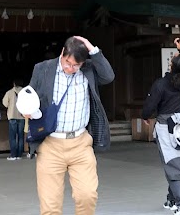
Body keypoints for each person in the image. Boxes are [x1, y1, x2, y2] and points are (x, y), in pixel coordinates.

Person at [23, 35, 115, 215]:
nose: (70, 68)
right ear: (62, 53)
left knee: (87, 195)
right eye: (67, 63)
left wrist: (92, 48)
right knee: (50, 206)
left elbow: (109, 76)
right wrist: (26, 109)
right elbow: (29, 96)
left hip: (81, 143)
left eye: (76, 65)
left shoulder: (89, 69)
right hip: (50, 145)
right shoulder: (43, 69)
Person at [142, 38, 180, 215]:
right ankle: (171, 199)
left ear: (171, 67)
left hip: (166, 125)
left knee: (171, 163)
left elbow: (150, 104)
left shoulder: (161, 84)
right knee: (177, 161)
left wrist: (145, 117)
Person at [2, 78, 27, 160]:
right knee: (20, 136)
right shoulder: (26, 92)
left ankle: (13, 155)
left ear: (14, 84)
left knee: (12, 136)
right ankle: (19, 154)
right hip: (22, 116)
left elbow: (5, 104)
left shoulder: (9, 92)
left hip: (12, 116)